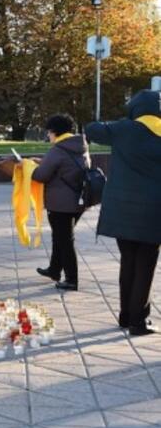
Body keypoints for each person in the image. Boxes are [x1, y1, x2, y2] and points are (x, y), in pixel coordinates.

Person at [86, 90, 161, 336]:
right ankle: (138, 322)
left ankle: (125, 316)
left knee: (128, 261)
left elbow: (91, 128)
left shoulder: (123, 130)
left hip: (121, 210)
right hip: (154, 212)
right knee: (145, 265)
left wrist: (122, 122)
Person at [30, 114, 90, 291]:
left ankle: (72, 279)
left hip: (61, 204)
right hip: (78, 201)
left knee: (64, 240)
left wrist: (26, 166)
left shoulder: (58, 150)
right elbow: (67, 169)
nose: (48, 136)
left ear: (54, 132)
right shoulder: (80, 146)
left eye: (48, 132)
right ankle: (54, 269)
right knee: (60, 236)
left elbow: (41, 176)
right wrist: (43, 162)